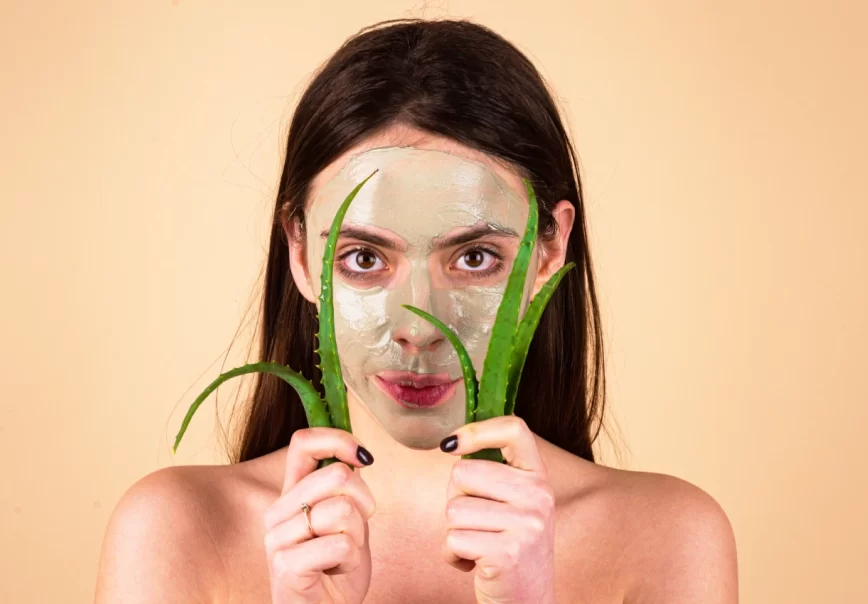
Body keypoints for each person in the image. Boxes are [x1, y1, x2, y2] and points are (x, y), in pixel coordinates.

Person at [94, 18, 738, 604]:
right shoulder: (173, 532)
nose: (415, 329)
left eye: (476, 257)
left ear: (549, 250)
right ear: (298, 250)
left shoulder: (671, 538)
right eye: (365, 260)